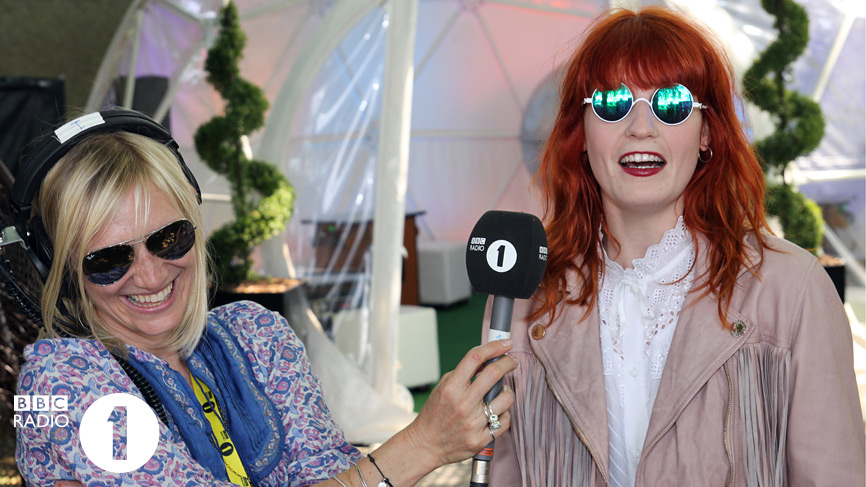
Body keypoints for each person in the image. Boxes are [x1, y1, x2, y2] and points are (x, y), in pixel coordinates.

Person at [12, 109, 516, 487]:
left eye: (169, 238)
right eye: (108, 259)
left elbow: (332, 472)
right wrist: (423, 444)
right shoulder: (58, 381)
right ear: (64, 270)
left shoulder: (256, 332)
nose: (148, 274)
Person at [485, 6, 865, 487]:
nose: (640, 127)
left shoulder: (793, 291)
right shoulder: (524, 296)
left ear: (707, 133)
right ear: (581, 133)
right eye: (612, 102)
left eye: (671, 103)